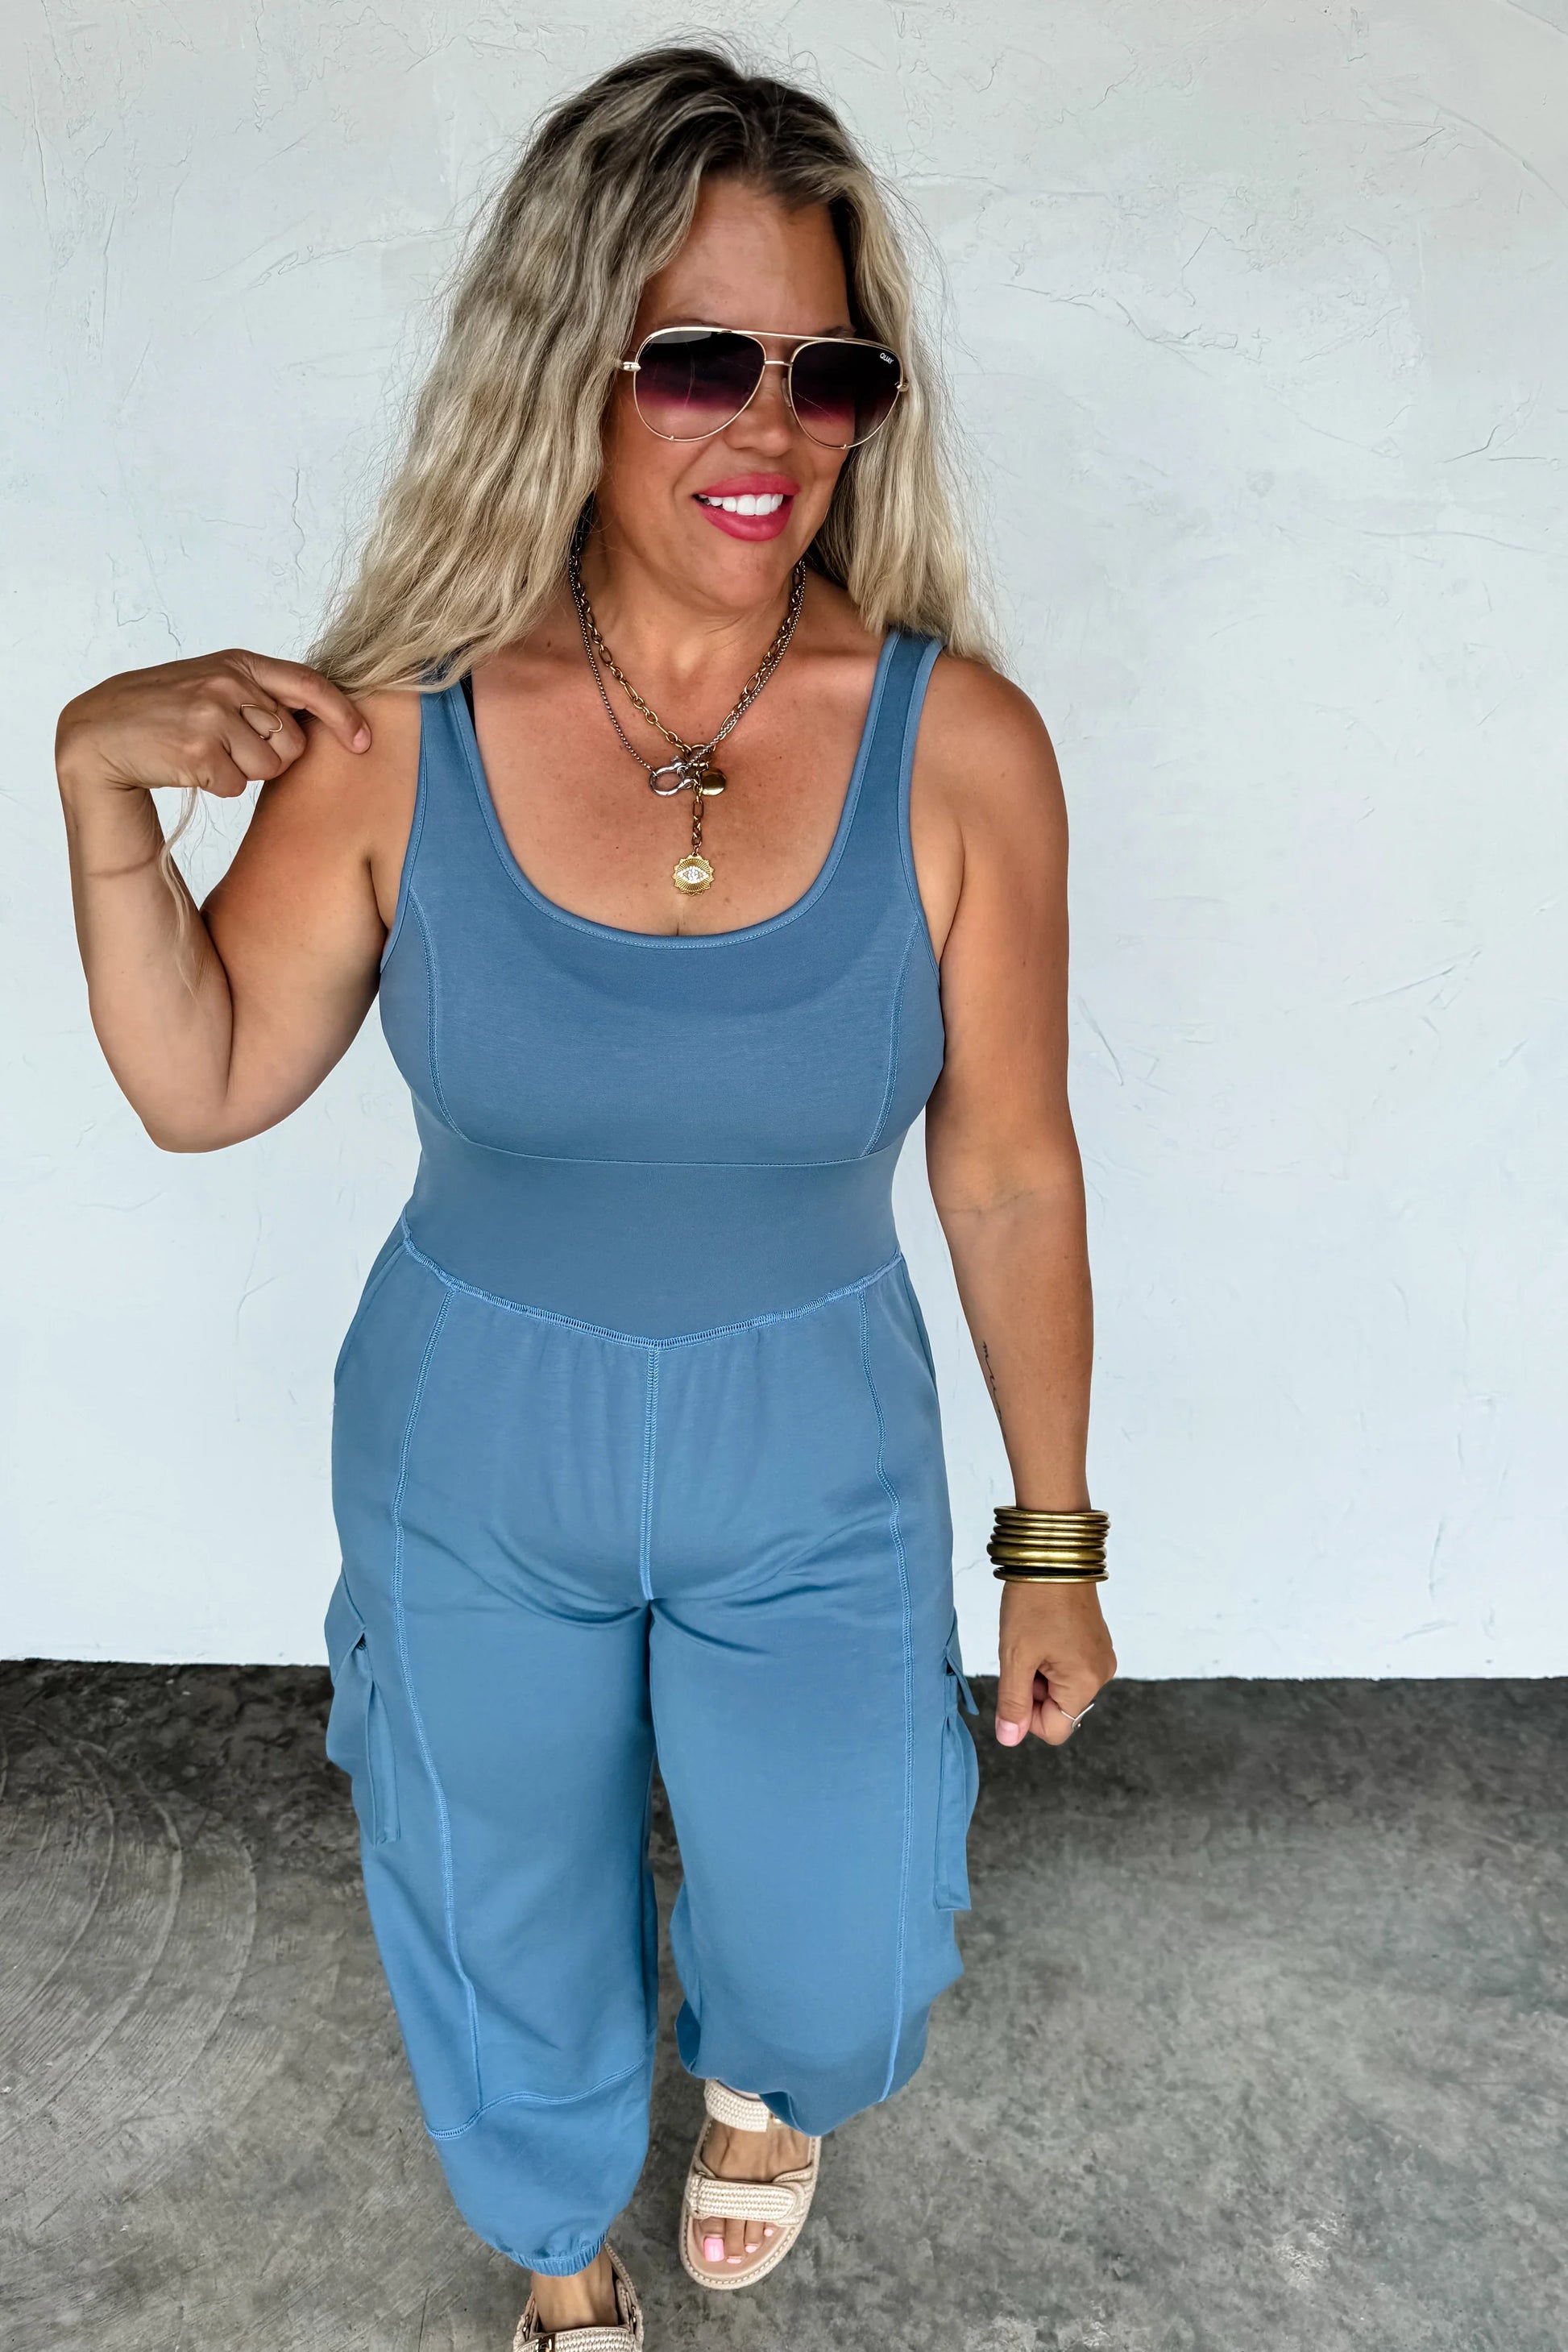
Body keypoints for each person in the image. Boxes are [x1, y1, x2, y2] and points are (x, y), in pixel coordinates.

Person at [53, 43, 1117, 2351]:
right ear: (570, 367)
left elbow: (1011, 1165)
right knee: (494, 1902)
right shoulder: (392, 732)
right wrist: (99, 790)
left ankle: (764, 2074)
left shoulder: (958, 748)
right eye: (705, 361)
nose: (775, 429)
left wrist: (1053, 1537)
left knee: (842, 1954)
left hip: (812, 1445)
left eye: (833, 372)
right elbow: (204, 1083)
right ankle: (558, 2259)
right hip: (476, 1435)